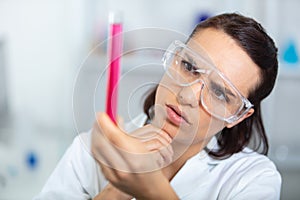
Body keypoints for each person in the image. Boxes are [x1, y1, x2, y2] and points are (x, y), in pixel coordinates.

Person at [34, 13, 281, 200]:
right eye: (189, 67)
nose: (187, 95)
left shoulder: (252, 179)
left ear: (238, 116)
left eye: (218, 92)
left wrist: (153, 189)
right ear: (174, 59)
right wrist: (117, 189)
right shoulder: (86, 152)